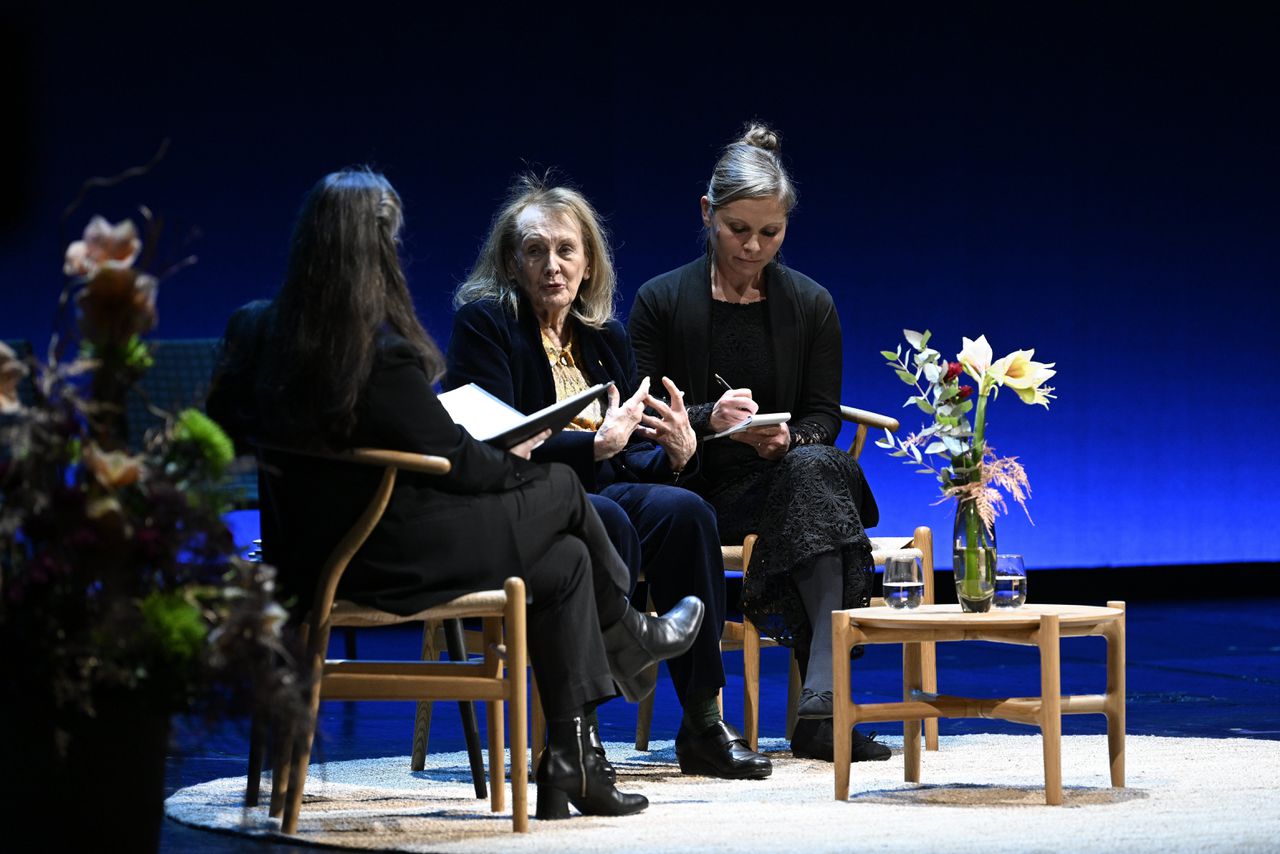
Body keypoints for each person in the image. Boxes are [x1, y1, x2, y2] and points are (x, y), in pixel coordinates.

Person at [206, 169, 707, 820]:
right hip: (384, 553)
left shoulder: (251, 327)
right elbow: (457, 462)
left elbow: (222, 430)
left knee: (566, 562)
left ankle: (569, 765)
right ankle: (631, 630)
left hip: (299, 557)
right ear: (378, 248)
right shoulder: (377, 352)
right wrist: (520, 465)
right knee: (560, 488)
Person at [446, 175, 772, 780]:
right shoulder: (486, 326)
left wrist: (678, 451)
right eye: (536, 251)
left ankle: (702, 721)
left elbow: (630, 455)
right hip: (520, 504)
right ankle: (582, 736)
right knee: (612, 515)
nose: (552, 266)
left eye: (566, 250)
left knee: (684, 510)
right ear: (512, 263)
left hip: (598, 493)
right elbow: (489, 444)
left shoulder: (604, 339)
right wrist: (592, 445)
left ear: (589, 262)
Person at [628, 124, 891, 763]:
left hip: (788, 482)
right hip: (698, 491)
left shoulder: (811, 304)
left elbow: (824, 412)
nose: (752, 246)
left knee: (814, 467)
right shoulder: (660, 301)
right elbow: (637, 412)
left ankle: (819, 703)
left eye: (768, 233)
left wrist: (788, 440)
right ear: (706, 214)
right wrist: (706, 417)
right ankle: (823, 717)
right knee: (818, 484)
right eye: (737, 229)